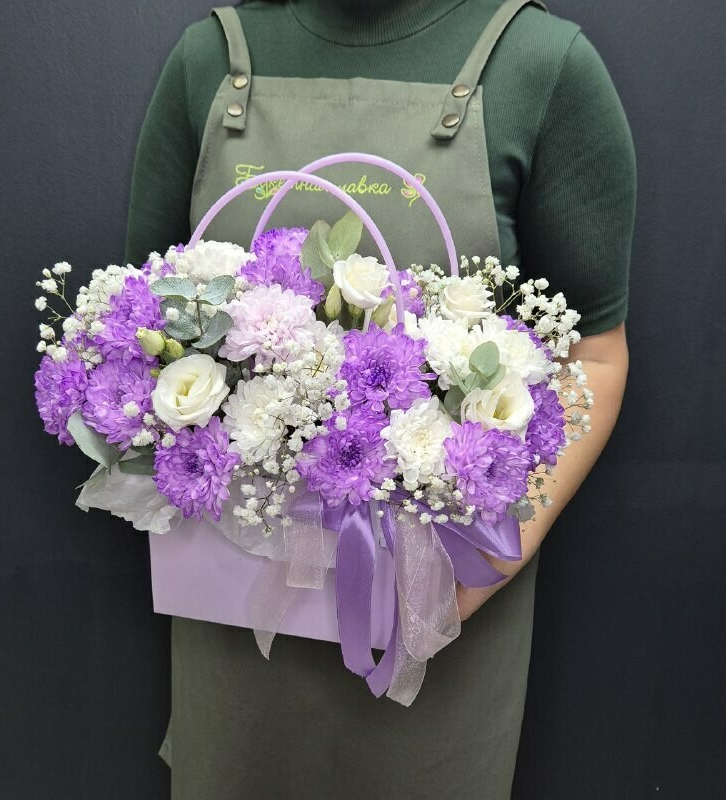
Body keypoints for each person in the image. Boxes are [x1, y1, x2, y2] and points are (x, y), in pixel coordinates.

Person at [125, 0, 635, 796]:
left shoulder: (541, 66)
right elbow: (143, 326)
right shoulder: (211, 60)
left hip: (436, 626)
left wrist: (473, 573)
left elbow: (592, 355)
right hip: (236, 614)